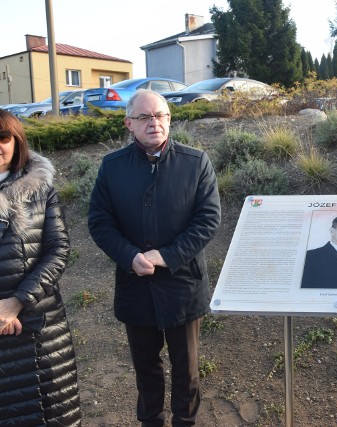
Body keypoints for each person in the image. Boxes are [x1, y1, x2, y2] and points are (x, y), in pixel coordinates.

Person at [88, 89, 221, 426]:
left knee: (186, 369)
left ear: (169, 120)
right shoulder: (112, 167)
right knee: (146, 369)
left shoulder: (196, 163)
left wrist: (167, 255)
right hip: (136, 285)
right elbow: (100, 222)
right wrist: (128, 255)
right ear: (129, 123)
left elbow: (208, 221)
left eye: (160, 115)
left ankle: (185, 422)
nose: (154, 123)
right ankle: (151, 421)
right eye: (145, 117)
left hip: (183, 287)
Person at [0, 109, 81, 425]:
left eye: (3, 137)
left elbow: (58, 250)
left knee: (49, 413)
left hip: (39, 327)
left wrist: (16, 302)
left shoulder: (41, 188)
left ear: (16, 140)